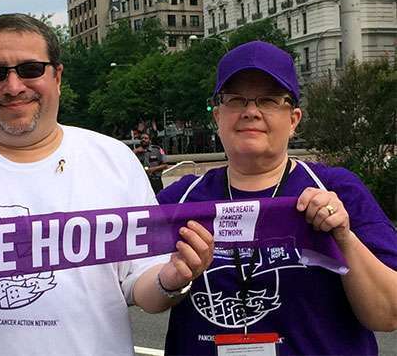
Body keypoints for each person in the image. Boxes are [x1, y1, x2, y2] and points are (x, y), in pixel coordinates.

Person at [0, 13, 214, 355]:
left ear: (57, 76)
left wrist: (172, 280)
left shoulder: (114, 160)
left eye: (30, 69)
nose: (13, 86)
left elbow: (141, 283)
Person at [156, 40, 397, 355]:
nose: (251, 112)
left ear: (294, 119)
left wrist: (343, 238)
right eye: (236, 100)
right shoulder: (180, 200)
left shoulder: (338, 191)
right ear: (217, 116)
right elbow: (131, 286)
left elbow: (388, 314)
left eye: (268, 100)